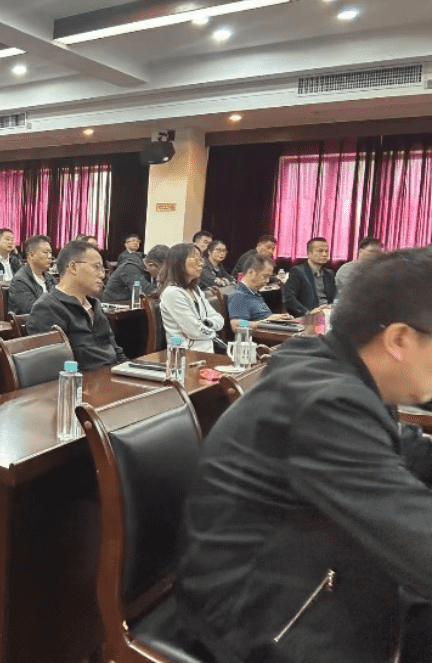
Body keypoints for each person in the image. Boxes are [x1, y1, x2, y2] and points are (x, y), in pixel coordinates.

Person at [162, 247, 432, 663]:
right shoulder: (325, 401)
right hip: (256, 616)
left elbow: (402, 451)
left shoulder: (342, 371)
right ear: (398, 339)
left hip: (302, 570)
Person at [27, 239, 127, 371]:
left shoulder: (95, 305)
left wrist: (129, 372)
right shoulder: (47, 308)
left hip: (111, 377)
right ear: (73, 267)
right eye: (96, 267)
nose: (102, 275)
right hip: (83, 381)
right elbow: (54, 369)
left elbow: (116, 352)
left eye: (103, 269)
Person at [158, 242, 225, 353]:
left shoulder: (195, 290)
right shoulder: (172, 293)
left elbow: (219, 319)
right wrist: (213, 333)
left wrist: (207, 323)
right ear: (179, 262)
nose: (201, 263)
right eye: (195, 257)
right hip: (185, 354)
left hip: (206, 350)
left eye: (200, 258)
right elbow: (194, 331)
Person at [226, 253, 294, 328]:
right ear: (251, 273)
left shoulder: (254, 293)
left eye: (269, 277)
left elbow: (263, 317)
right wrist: (264, 322)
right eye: (265, 276)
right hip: (261, 334)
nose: (267, 281)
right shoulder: (239, 296)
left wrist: (276, 318)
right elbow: (237, 324)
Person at [283, 237, 336, 317]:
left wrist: (332, 306)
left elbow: (337, 296)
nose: (325, 254)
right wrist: (307, 312)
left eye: (327, 251)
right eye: (320, 251)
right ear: (309, 253)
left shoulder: (330, 274)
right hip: (309, 315)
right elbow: (288, 298)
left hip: (328, 313)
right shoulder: (298, 271)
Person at [102, 244, 168, 304]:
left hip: (132, 306)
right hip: (114, 307)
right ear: (151, 265)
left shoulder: (146, 268)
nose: (165, 273)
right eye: (163, 270)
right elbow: (146, 292)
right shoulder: (130, 268)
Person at [8, 235, 55, 315]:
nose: (50, 256)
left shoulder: (50, 278)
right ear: (31, 255)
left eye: (50, 252)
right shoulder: (20, 281)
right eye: (45, 252)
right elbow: (32, 310)